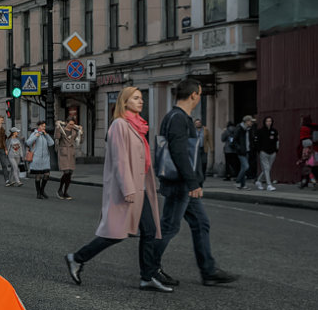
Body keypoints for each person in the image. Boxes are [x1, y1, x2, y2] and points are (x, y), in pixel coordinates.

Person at [65, 86, 167, 291]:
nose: (141, 101)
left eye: (141, 98)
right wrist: (128, 188)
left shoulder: (137, 125)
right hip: (127, 188)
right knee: (115, 233)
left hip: (140, 187)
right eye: (135, 98)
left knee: (149, 230)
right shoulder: (119, 125)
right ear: (125, 102)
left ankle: (147, 276)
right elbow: (120, 160)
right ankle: (77, 258)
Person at [151, 79, 238, 288]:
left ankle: (208, 271)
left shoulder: (177, 117)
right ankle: (150, 269)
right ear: (193, 95)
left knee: (201, 223)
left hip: (183, 183)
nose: (199, 98)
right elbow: (179, 152)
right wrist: (192, 183)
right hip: (180, 184)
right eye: (199, 94)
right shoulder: (178, 118)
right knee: (169, 226)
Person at [54, 115, 83, 200]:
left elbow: (81, 141)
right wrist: (57, 128)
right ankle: (60, 190)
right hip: (63, 152)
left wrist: (81, 132)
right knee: (66, 172)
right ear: (66, 123)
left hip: (71, 152)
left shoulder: (74, 131)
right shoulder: (61, 129)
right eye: (70, 124)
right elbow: (57, 137)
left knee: (70, 173)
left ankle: (65, 191)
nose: (71, 126)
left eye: (73, 124)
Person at [25, 121, 55, 199]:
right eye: (42, 126)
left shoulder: (45, 135)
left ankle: (42, 190)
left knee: (47, 174)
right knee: (38, 175)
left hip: (45, 159)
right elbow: (28, 143)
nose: (43, 128)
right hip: (36, 158)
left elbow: (51, 143)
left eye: (44, 126)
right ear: (38, 126)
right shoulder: (34, 134)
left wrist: (46, 135)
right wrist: (36, 136)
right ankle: (38, 193)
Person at [254, 117, 279, 191]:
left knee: (267, 168)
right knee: (267, 168)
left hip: (272, 152)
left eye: (270, 121)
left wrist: (276, 149)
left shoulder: (274, 131)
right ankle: (269, 184)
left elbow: (277, 141)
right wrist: (259, 150)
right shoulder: (260, 131)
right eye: (267, 121)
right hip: (263, 152)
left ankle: (258, 181)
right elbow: (256, 142)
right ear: (264, 122)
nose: (269, 122)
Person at [234, 115, 255, 189]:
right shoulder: (239, 128)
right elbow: (235, 140)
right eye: (251, 121)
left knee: (243, 168)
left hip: (247, 150)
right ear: (246, 121)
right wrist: (239, 148)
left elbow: (251, 140)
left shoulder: (249, 129)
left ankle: (243, 185)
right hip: (241, 151)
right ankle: (237, 181)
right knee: (246, 166)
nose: (252, 123)